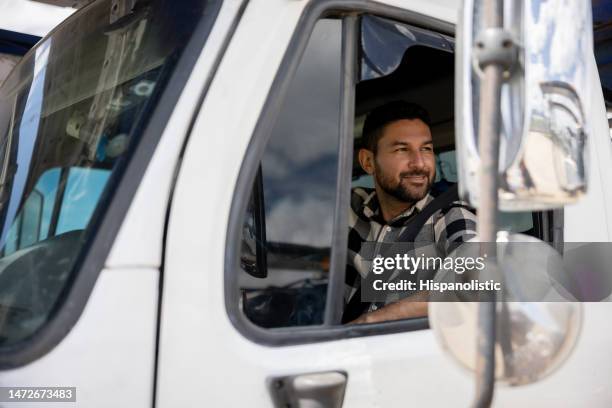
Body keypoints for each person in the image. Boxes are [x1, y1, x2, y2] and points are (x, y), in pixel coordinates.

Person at [344, 101, 477, 324]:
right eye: (402, 149)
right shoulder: (350, 206)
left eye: (426, 149)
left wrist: (371, 321)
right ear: (368, 162)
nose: (419, 163)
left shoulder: (450, 217)